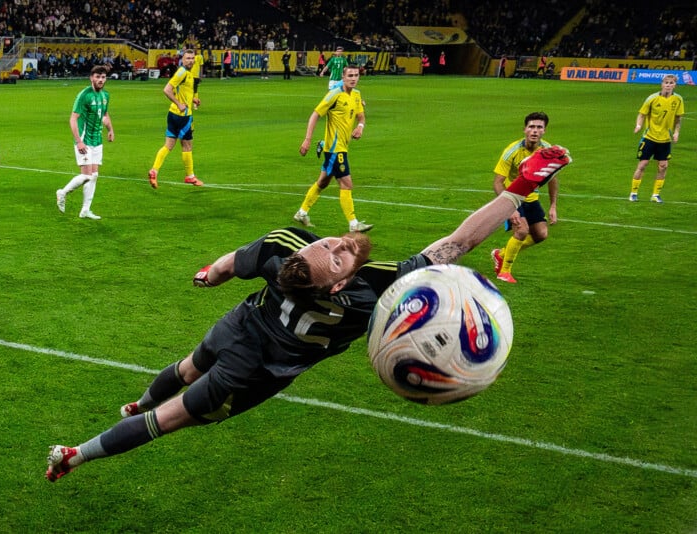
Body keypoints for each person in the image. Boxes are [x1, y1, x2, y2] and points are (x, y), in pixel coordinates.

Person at [45, 145, 572, 482]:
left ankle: (121, 416)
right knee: (176, 411)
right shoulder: (374, 292)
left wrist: (209, 273)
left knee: (186, 370)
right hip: (259, 371)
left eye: (330, 242)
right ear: (339, 281)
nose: (338, 241)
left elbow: (232, 264)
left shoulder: (284, 248)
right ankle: (81, 452)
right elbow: (458, 243)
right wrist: (521, 189)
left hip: (243, 330)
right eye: (337, 250)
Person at [293, 65, 370, 233]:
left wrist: (360, 126)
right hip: (334, 148)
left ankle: (301, 212)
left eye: (356, 75)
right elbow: (315, 115)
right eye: (350, 75)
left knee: (323, 182)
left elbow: (361, 115)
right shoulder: (334, 95)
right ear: (343, 77)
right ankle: (353, 223)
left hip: (343, 146)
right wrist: (307, 140)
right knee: (347, 183)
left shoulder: (356, 95)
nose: (353, 78)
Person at [490, 112, 558, 284]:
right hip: (512, 196)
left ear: (544, 131)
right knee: (521, 230)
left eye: (539, 127)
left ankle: (501, 254)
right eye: (531, 127)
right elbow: (498, 182)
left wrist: (553, 206)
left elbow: (553, 179)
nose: (535, 131)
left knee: (541, 234)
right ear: (525, 129)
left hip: (531, 197)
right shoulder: (511, 151)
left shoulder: (547, 152)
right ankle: (504, 271)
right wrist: (509, 207)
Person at [55, 65, 114, 220]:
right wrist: (78, 141)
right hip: (85, 140)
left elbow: (105, 115)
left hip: (97, 140)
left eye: (103, 77)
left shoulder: (105, 95)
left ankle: (85, 210)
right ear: (91, 78)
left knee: (94, 176)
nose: (101, 80)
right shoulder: (84, 95)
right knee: (87, 176)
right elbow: (73, 118)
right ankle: (63, 192)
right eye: (98, 77)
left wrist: (110, 129)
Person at [147, 49, 203, 189]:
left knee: (168, 146)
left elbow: (183, 92)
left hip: (172, 114)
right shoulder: (182, 72)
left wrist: (193, 100)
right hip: (182, 116)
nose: (190, 60)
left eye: (192, 58)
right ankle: (190, 176)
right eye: (188, 58)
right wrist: (180, 104)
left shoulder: (187, 73)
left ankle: (154, 170)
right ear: (182, 60)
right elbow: (167, 89)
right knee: (187, 145)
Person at [628, 73, 684, 203]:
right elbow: (642, 114)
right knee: (643, 164)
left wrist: (676, 132)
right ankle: (634, 192)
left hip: (665, 139)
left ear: (675, 85)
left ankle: (655, 195)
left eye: (671, 83)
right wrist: (638, 125)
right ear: (662, 84)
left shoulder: (678, 100)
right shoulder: (652, 98)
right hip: (649, 137)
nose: (668, 85)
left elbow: (678, 118)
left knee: (663, 166)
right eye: (666, 83)